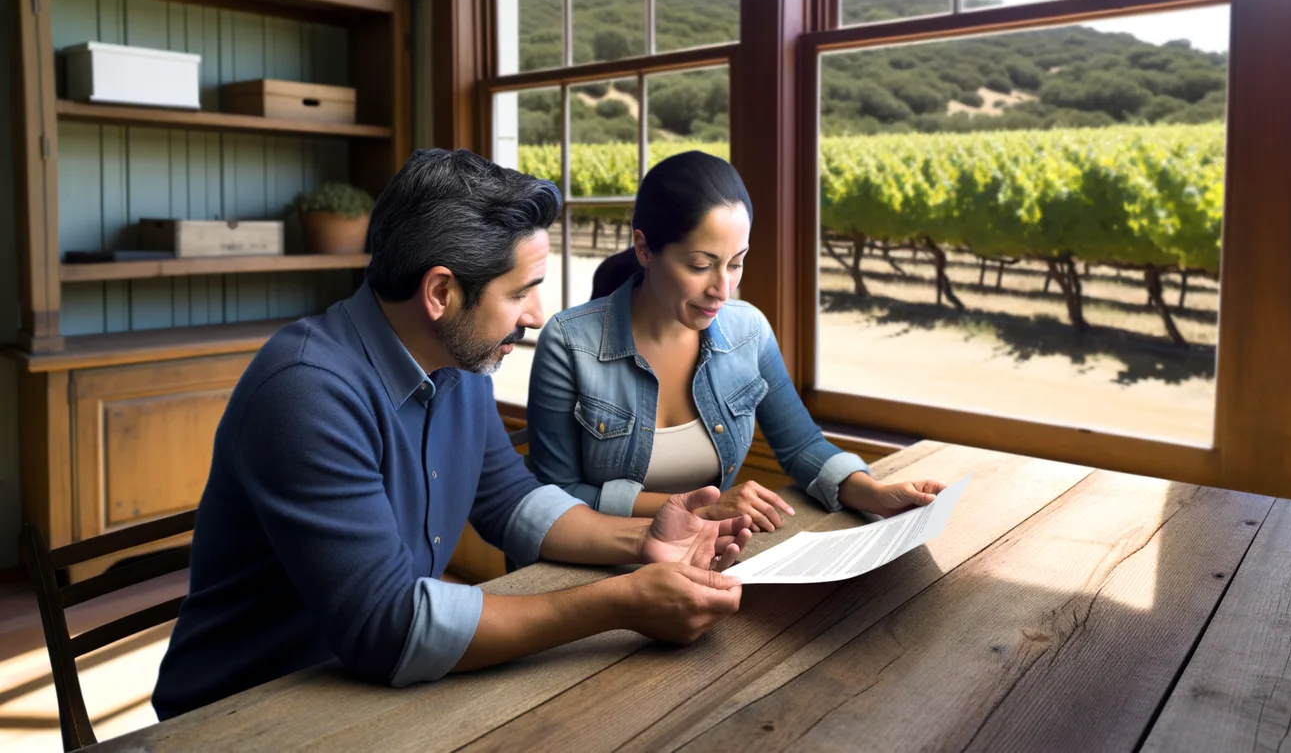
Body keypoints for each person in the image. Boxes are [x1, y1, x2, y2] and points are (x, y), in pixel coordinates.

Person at [151, 149, 752, 721]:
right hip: (246, 712)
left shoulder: (456, 357)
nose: (538, 314)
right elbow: (386, 626)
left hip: (368, 692)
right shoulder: (306, 391)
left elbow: (509, 499)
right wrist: (622, 604)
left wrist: (644, 540)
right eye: (521, 291)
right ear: (441, 293)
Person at [527, 151, 947, 531]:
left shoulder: (748, 331)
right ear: (644, 248)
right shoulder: (569, 343)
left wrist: (873, 494)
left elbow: (802, 445)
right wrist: (693, 508)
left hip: (708, 558)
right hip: (597, 565)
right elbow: (557, 494)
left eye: (736, 263)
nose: (722, 289)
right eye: (700, 265)